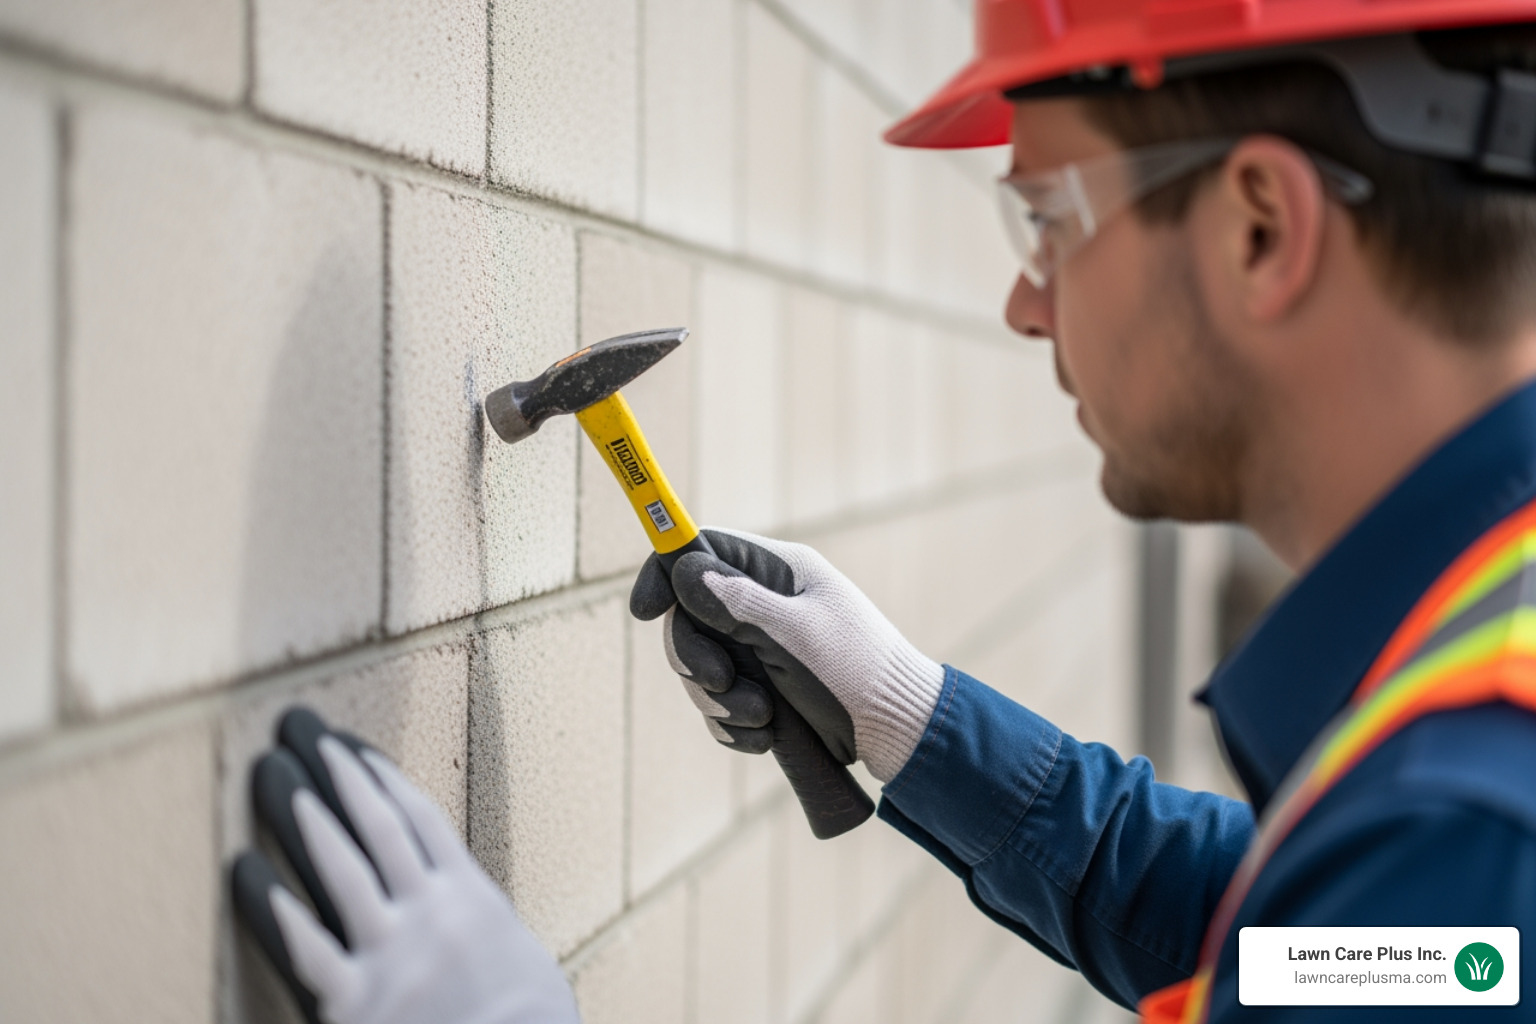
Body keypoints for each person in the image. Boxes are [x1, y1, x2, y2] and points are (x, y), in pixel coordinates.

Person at [234, 3, 1536, 1021]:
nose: (1028, 304)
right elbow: (1323, 957)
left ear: (1259, 227)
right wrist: (913, 716)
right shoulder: (1465, 797)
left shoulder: (1472, 824)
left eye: (1047, 220)